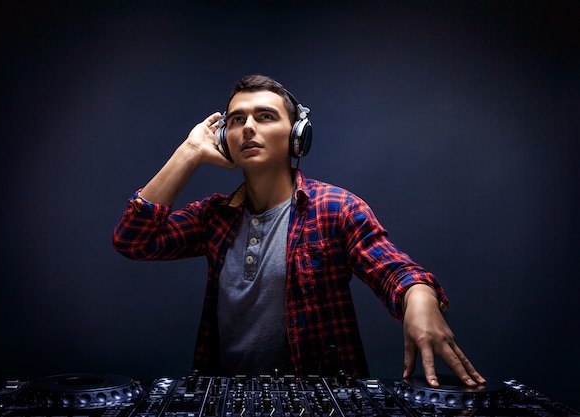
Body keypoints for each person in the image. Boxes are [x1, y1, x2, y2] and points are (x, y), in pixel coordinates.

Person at [112, 74, 486, 388]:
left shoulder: (335, 208)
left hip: (316, 400)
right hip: (227, 396)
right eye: (237, 120)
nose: (249, 128)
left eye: (265, 116)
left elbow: (395, 270)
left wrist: (419, 298)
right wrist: (188, 152)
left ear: (297, 136)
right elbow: (134, 240)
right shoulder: (215, 216)